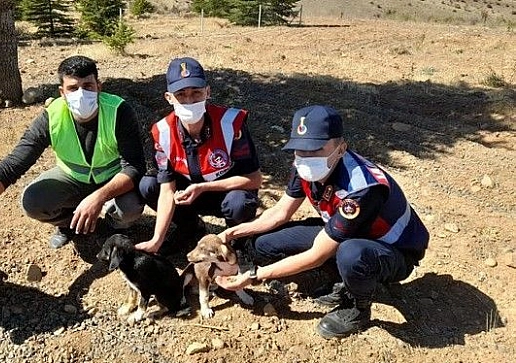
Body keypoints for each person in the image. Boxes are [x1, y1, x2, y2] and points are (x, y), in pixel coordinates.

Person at [216, 105, 430, 339]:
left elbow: (317, 254)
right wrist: (234, 233)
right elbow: (280, 212)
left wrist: (255, 276)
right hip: (346, 232)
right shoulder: (304, 167)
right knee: (263, 243)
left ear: (341, 149)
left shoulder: (362, 189)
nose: (305, 157)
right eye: (299, 149)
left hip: (392, 251)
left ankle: (356, 306)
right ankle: (341, 278)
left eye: (316, 149)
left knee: (350, 254)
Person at [0, 55, 145, 249]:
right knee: (33, 201)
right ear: (62, 92)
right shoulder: (52, 116)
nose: (81, 94)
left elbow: (134, 167)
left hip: (112, 178)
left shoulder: (118, 110)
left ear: (98, 87)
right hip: (72, 177)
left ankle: (112, 227)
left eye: (88, 86)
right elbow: (12, 166)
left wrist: (99, 197)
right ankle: (69, 224)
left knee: (130, 208)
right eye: (73, 88)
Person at [135, 57, 263, 255]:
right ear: (169, 98)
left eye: (196, 93)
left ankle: (237, 242)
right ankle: (190, 228)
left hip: (227, 194)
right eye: (181, 95)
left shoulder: (231, 124)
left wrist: (204, 187)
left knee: (239, 203)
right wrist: (156, 239)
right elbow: (167, 189)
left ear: (208, 92)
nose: (189, 101)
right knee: (148, 185)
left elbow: (254, 179)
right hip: (188, 194)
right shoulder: (162, 132)